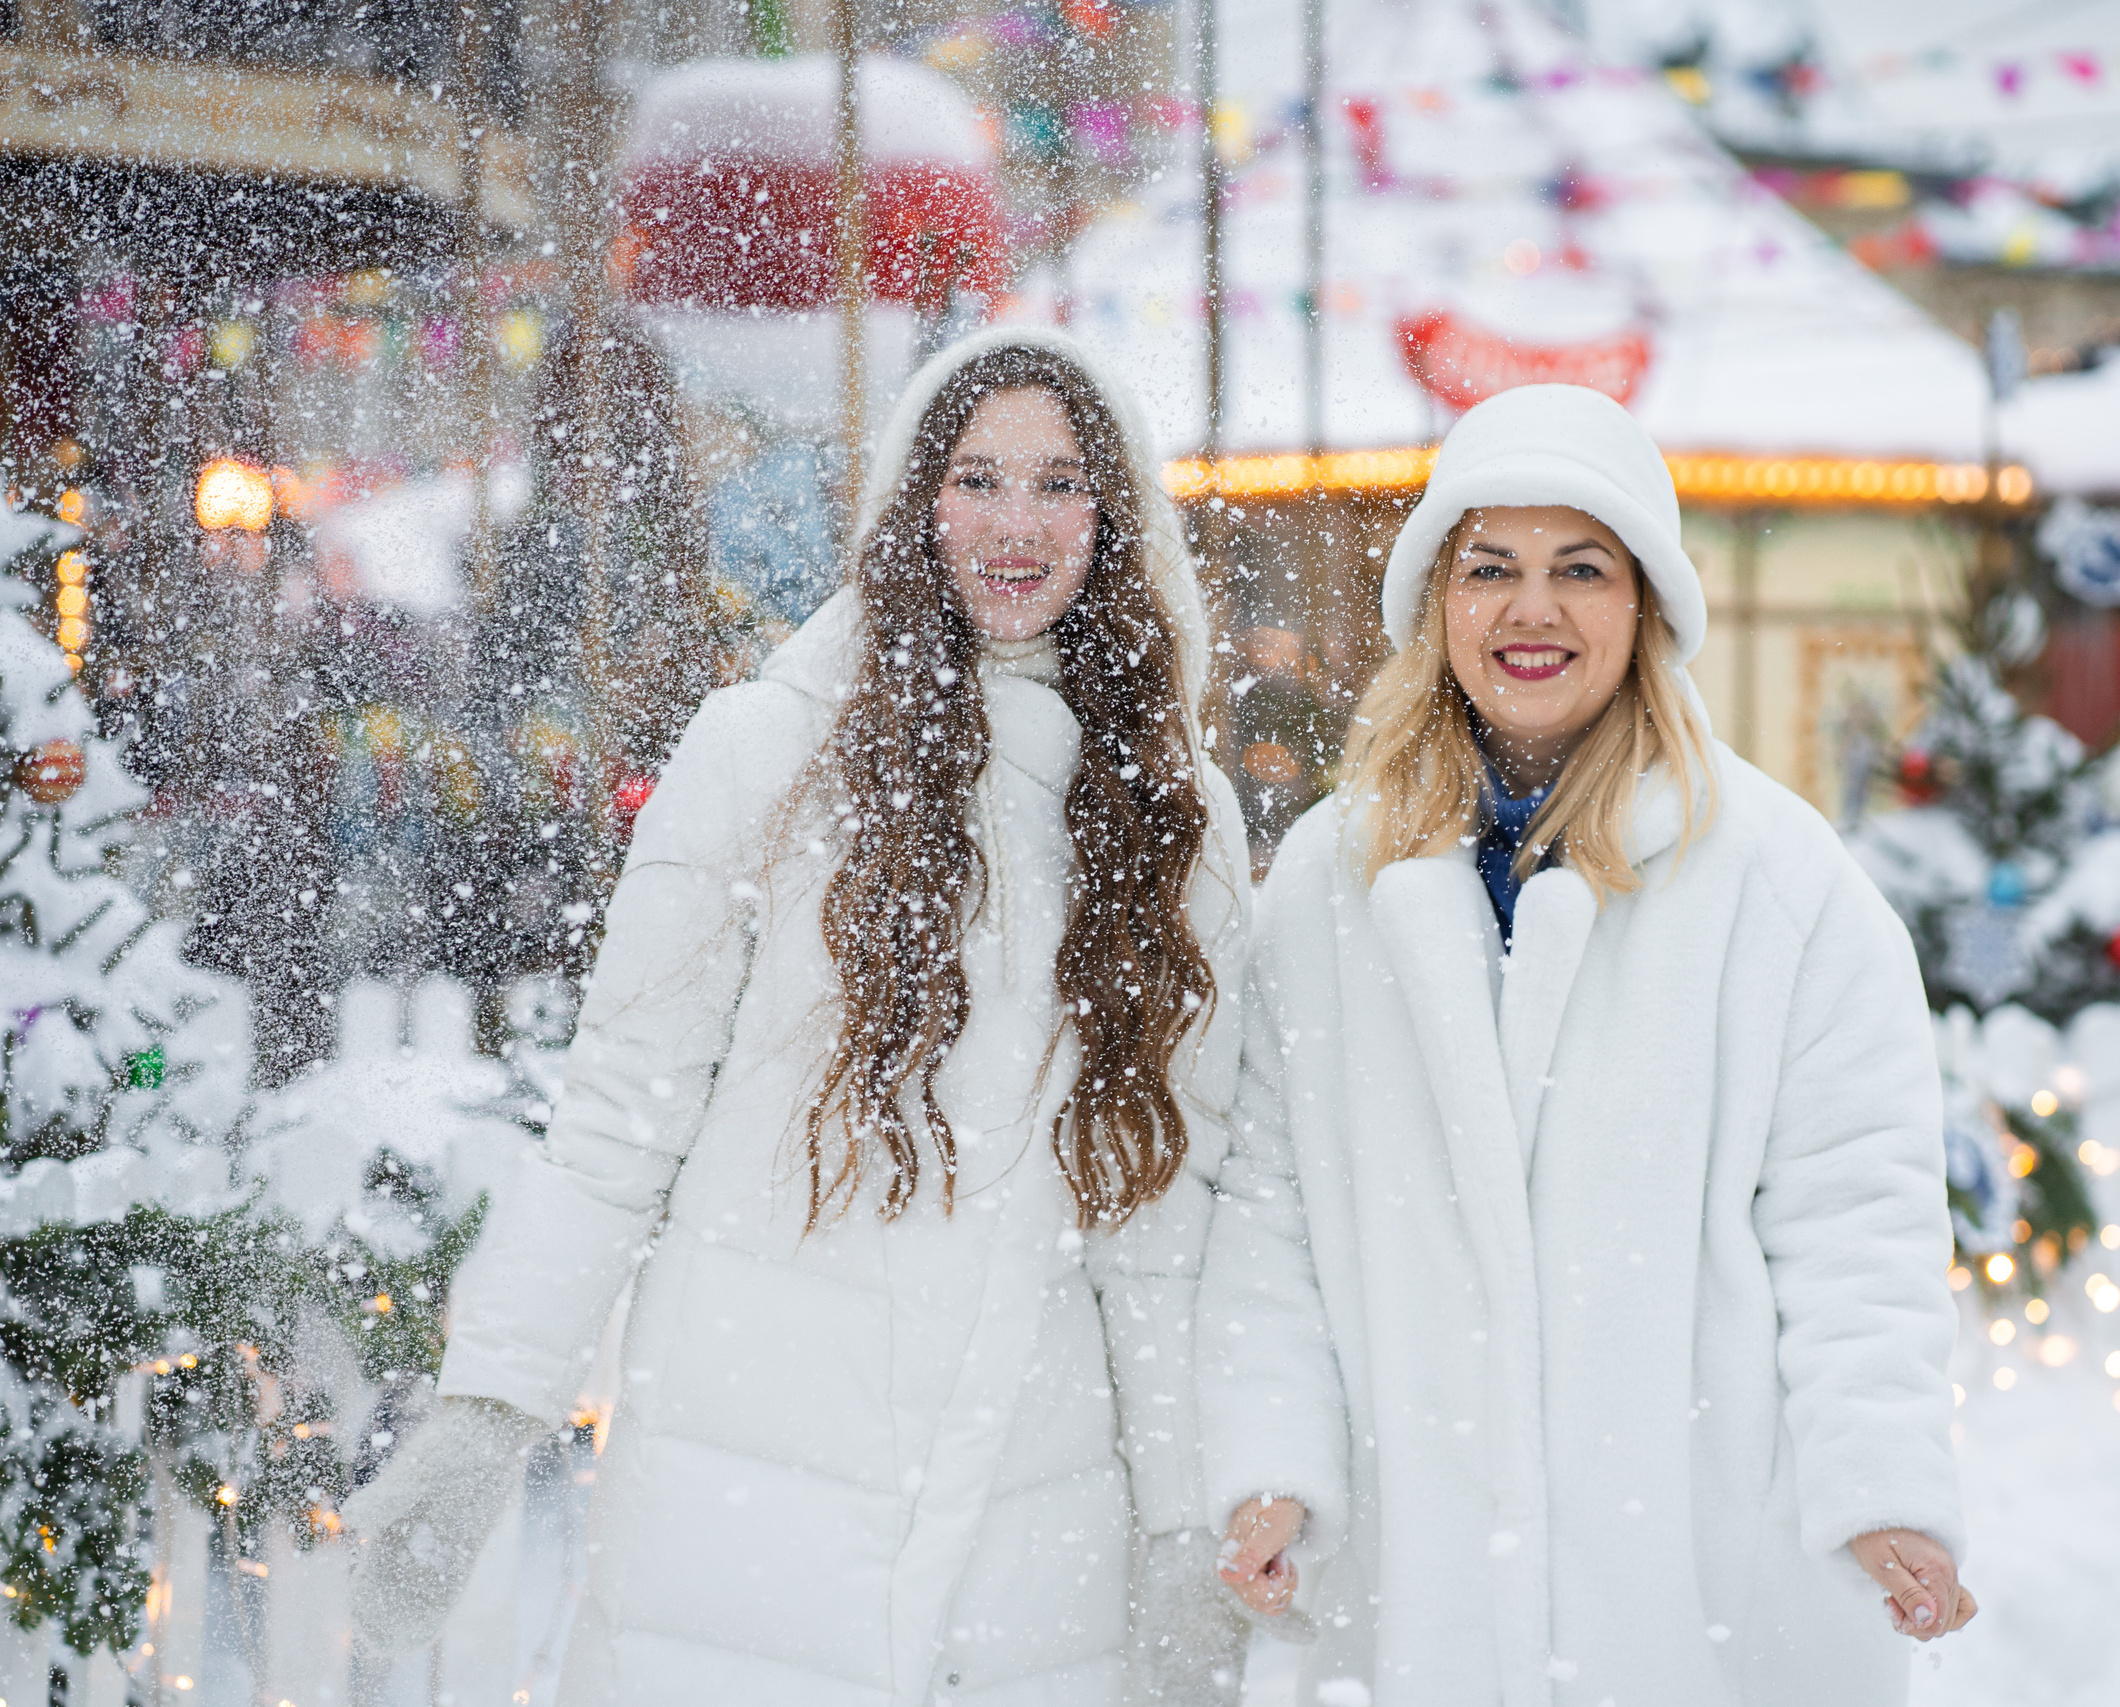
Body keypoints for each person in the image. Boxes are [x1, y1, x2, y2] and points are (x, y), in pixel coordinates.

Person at [344, 328, 1254, 1707]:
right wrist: (487, 1413)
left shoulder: (1172, 818)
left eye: (1062, 482)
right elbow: (615, 1121)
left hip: (1029, 1527)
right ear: (914, 506)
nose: (1016, 525)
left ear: (1116, 520)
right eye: (978, 478)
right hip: (743, 1493)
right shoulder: (763, 754)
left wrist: (1184, 1522)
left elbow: (1161, 1216)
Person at [1200, 385, 1975, 1705]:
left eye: (1581, 569)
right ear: (1437, 600)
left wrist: (1881, 1481)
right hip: (1417, 1571)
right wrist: (1272, 1462)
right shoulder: (1331, 883)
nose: (1532, 610)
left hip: (1688, 1578)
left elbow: (1858, 1220)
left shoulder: (1779, 884)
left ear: (1647, 608)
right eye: (1490, 567)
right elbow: (1265, 1208)